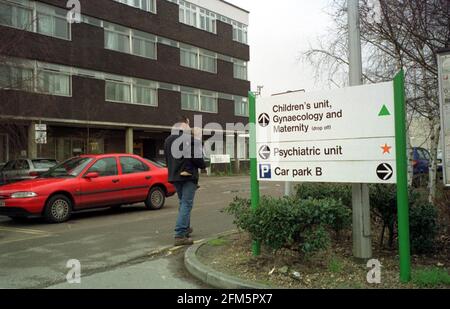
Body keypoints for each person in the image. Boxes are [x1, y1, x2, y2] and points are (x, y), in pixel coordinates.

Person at [165, 116, 206, 246]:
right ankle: (180, 234)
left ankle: (186, 228)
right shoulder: (189, 139)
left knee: (183, 202)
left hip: (174, 176)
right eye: (189, 124)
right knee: (187, 204)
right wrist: (204, 165)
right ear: (185, 123)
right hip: (188, 177)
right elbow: (197, 158)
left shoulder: (168, 140)